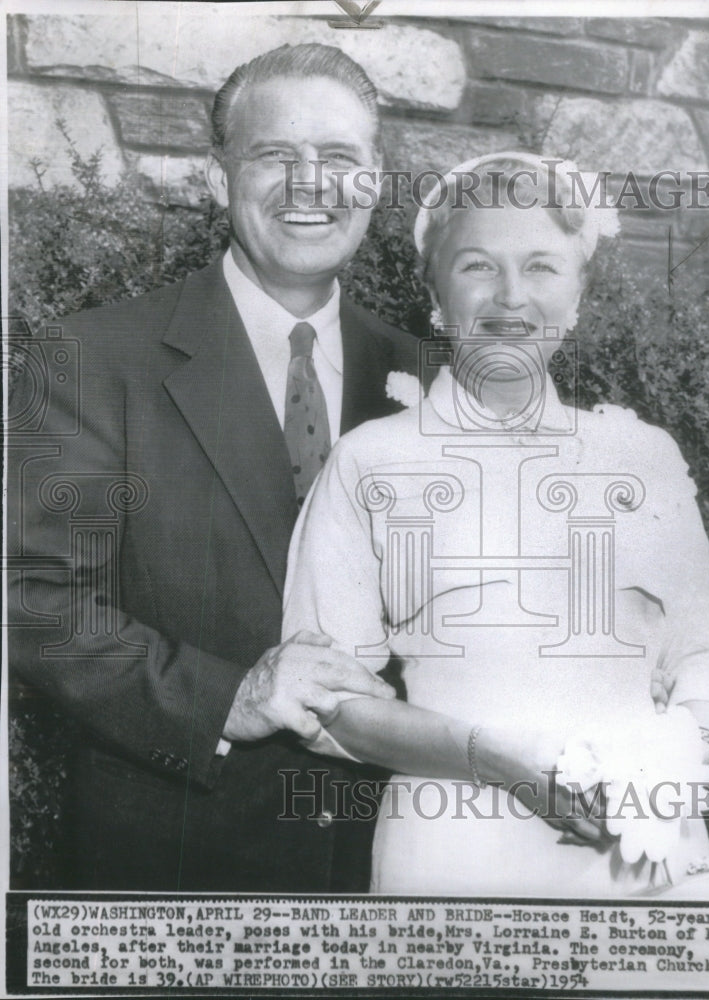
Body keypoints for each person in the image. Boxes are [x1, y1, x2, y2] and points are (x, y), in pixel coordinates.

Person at [7, 43, 417, 891]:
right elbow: (31, 602)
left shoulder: (430, 380)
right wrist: (225, 696)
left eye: (339, 158)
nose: (310, 184)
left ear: (373, 183)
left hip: (393, 864)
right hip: (174, 859)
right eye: (275, 155)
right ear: (215, 176)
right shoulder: (89, 357)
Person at [282, 152, 709, 897]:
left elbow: (702, 657)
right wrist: (500, 761)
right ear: (435, 293)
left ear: (579, 293)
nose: (509, 298)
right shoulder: (371, 464)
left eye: (540, 267)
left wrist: (669, 762)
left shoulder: (643, 456)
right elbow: (330, 697)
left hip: (642, 847)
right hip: (456, 846)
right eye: (476, 266)